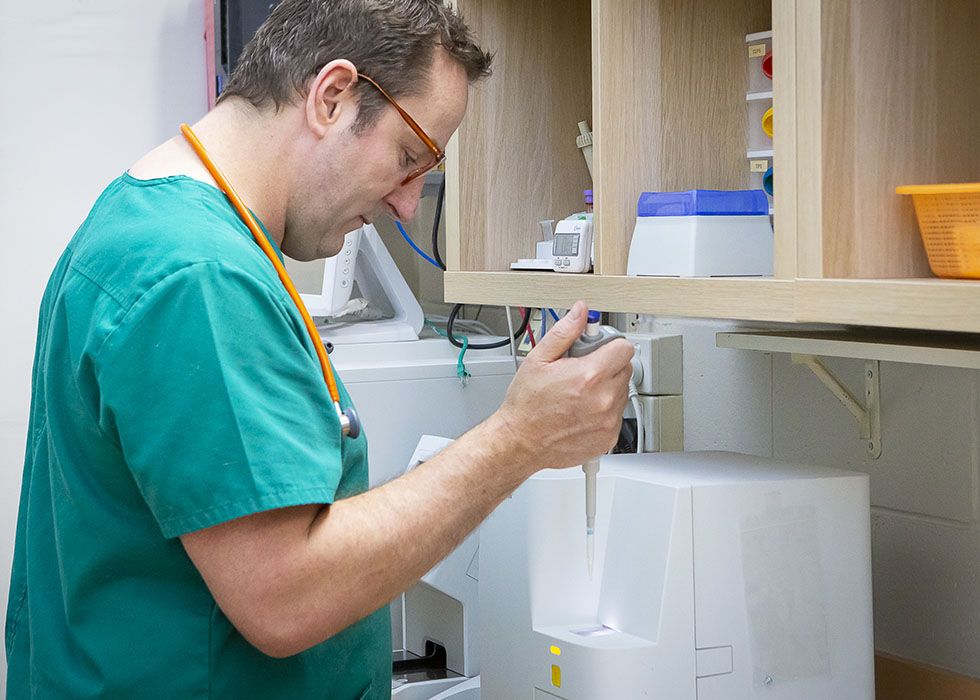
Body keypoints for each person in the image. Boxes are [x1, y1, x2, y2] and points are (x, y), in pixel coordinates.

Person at [4, 1, 634, 698]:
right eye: (406, 159)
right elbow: (285, 597)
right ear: (332, 96)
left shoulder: (144, 219)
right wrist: (519, 439)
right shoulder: (199, 277)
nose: (405, 205)